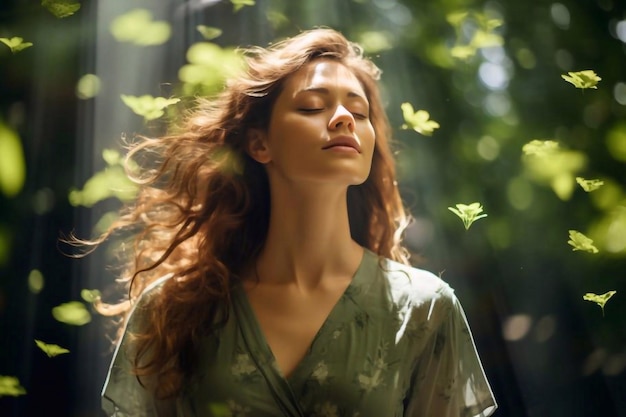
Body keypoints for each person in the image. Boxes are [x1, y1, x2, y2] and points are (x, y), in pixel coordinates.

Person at [92, 27, 497, 417]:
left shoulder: (424, 310)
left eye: (359, 111)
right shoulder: (175, 310)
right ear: (259, 143)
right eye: (312, 107)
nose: (344, 119)